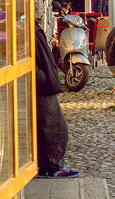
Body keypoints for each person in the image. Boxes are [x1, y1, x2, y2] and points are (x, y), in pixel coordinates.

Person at [35, 23, 81, 178]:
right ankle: (53, 166)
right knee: (56, 126)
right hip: (42, 85)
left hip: (43, 83)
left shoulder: (30, 27)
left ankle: (45, 166)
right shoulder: (25, 28)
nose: (34, 9)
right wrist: (42, 77)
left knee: (44, 128)